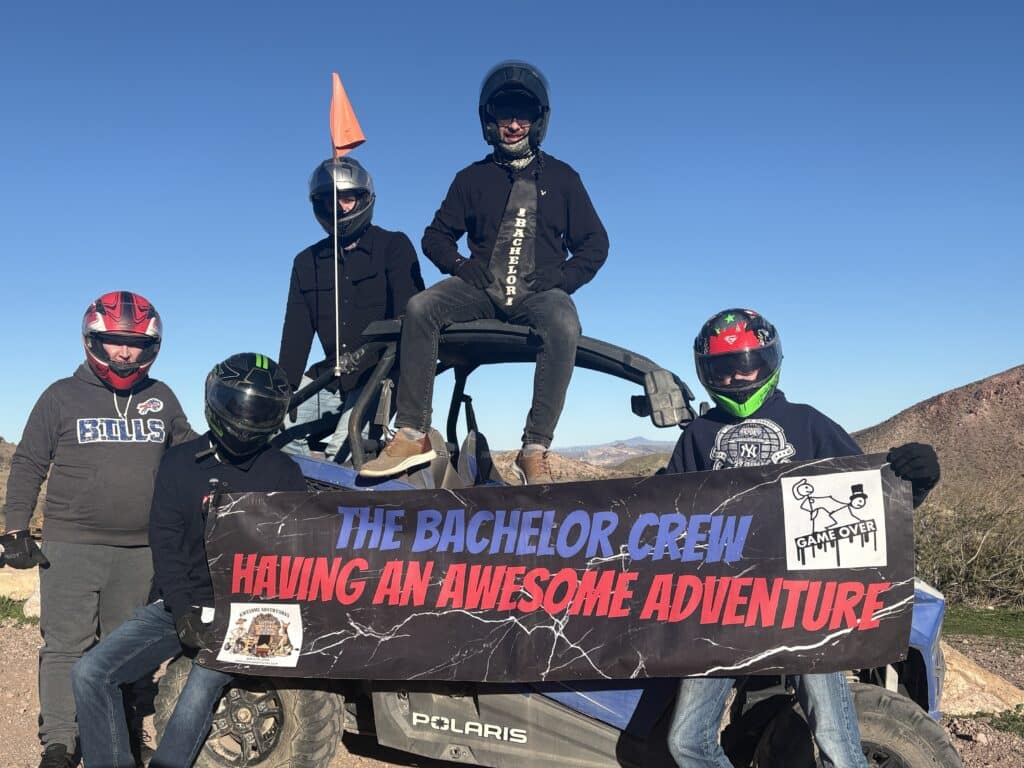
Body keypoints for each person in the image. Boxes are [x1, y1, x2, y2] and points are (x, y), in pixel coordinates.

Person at [664, 308, 940, 768]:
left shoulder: (809, 424)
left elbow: (871, 502)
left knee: (836, 740)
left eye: (746, 364)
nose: (736, 376)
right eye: (723, 368)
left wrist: (917, 480)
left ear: (769, 362)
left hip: (807, 605)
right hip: (721, 607)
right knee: (686, 742)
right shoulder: (697, 435)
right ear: (706, 374)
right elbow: (660, 513)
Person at [359, 60, 609, 484]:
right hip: (479, 290)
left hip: (539, 291)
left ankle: (534, 449)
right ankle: (412, 432)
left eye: (522, 114)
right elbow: (435, 236)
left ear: (538, 120)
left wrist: (562, 280)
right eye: (503, 114)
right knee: (421, 307)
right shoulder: (470, 178)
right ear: (488, 120)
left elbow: (596, 244)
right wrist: (459, 266)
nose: (513, 124)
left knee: (564, 322)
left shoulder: (564, 178)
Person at [72, 352, 307, 768]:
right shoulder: (180, 463)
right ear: (216, 403)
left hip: (250, 612)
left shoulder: (284, 473)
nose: (247, 420)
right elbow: (165, 539)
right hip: (181, 602)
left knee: (200, 685)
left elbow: (293, 551)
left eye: (261, 411)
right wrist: (183, 611)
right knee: (90, 672)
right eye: (239, 407)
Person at [0, 291, 194, 768]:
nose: (124, 352)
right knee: (65, 646)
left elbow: (190, 458)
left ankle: (124, 733)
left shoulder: (162, 397)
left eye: (133, 343)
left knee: (124, 652)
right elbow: (26, 463)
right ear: (93, 340)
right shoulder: (60, 396)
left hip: (141, 551)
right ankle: (60, 745)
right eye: (113, 342)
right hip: (71, 545)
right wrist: (15, 529)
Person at [278, 156, 424, 462]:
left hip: (378, 373)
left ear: (364, 198)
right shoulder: (306, 262)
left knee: (342, 451)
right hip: (328, 376)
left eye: (347, 197)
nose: (340, 207)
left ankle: (333, 496)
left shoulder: (394, 246)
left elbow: (411, 318)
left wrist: (368, 357)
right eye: (331, 199)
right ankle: (300, 494)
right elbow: (295, 335)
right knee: (270, 424)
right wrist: (283, 391)